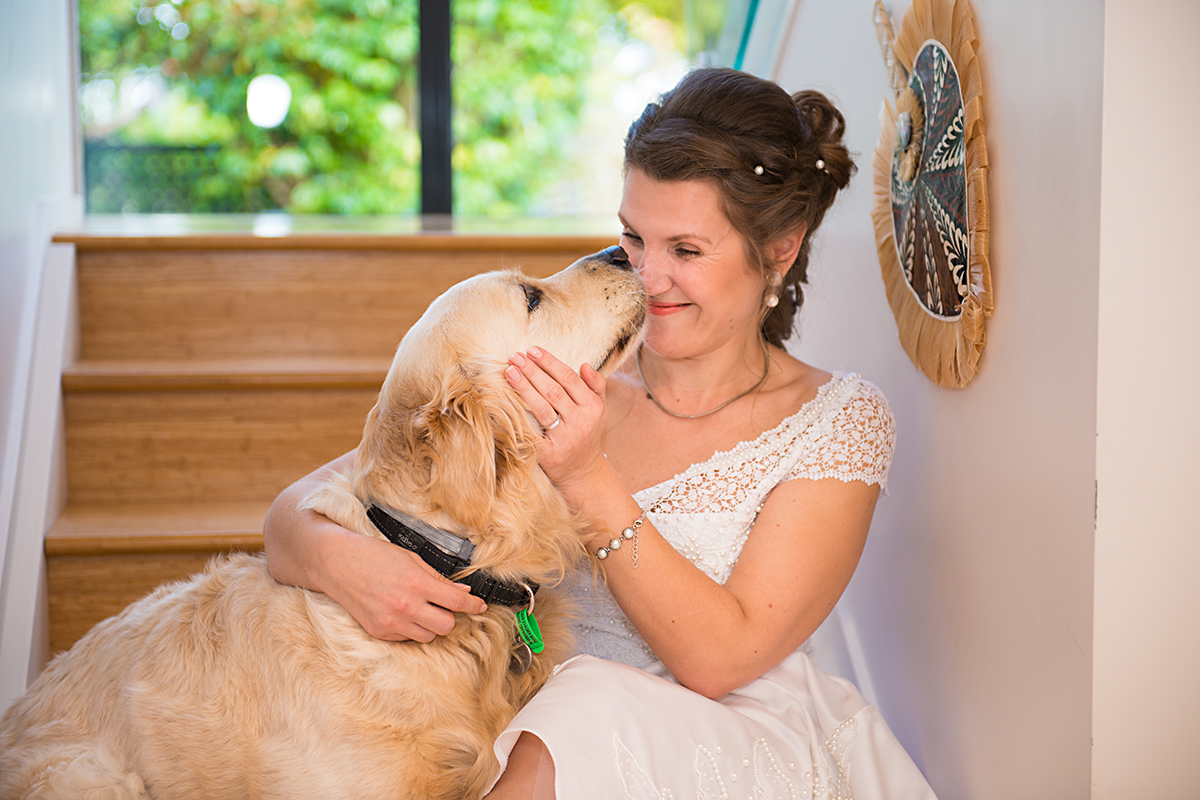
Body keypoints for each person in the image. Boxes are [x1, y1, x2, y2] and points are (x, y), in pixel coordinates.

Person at [264, 67, 937, 799]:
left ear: (779, 246)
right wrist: (339, 561)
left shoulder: (838, 419)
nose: (646, 276)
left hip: (727, 741)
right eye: (632, 238)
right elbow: (303, 506)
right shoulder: (567, 384)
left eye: (686, 250)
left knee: (583, 704)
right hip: (533, 728)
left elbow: (720, 660)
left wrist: (586, 477)